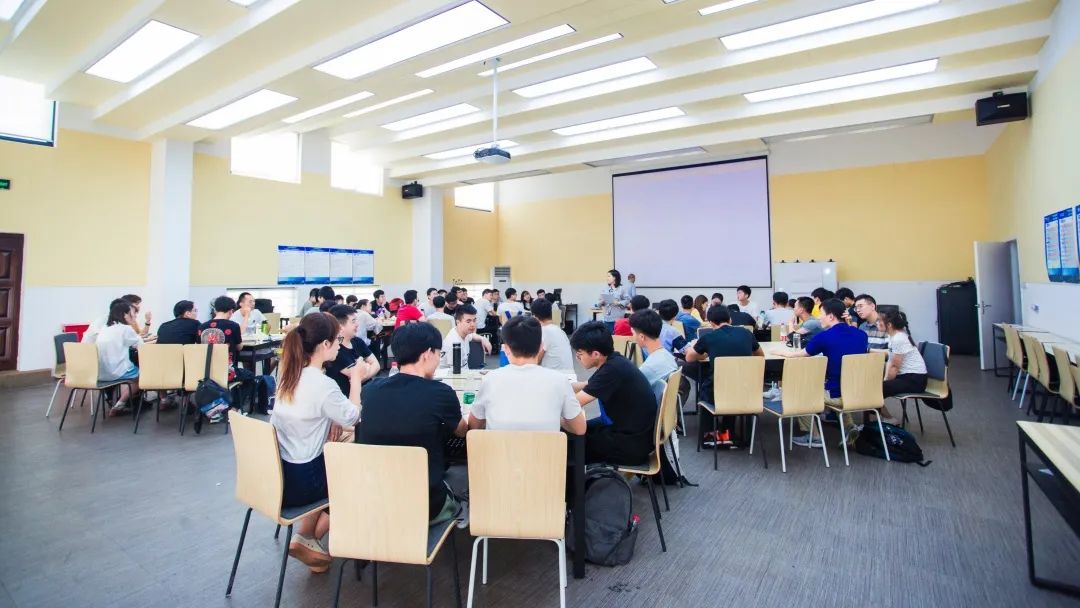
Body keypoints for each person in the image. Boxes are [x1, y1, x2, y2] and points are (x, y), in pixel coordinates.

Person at [271, 312, 362, 571]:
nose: (339, 346)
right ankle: (308, 538)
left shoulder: (289, 375)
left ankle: (308, 540)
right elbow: (354, 416)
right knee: (356, 474)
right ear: (325, 344)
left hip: (279, 477)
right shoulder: (324, 384)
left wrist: (330, 417)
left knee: (339, 451)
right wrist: (356, 379)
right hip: (305, 482)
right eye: (337, 341)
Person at [357, 323, 468, 524]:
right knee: (457, 488)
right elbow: (461, 431)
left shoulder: (370, 390)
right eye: (439, 354)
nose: (438, 360)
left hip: (375, 500)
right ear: (427, 354)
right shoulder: (440, 393)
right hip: (424, 505)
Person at [468, 316, 585, 433]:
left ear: (506, 348)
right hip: (545, 445)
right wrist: (555, 417)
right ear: (540, 346)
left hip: (499, 445)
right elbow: (579, 428)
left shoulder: (490, 379)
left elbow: (473, 425)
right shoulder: (559, 380)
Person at [778, 299, 868, 447]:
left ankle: (814, 436)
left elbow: (799, 355)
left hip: (837, 395)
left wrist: (781, 352)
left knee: (800, 393)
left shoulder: (824, 336)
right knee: (837, 384)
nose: (819, 317)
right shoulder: (861, 335)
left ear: (831, 316)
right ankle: (849, 427)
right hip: (860, 392)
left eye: (821, 314)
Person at [570, 322, 657, 465]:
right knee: (576, 431)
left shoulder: (610, 371)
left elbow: (573, 404)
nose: (577, 359)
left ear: (596, 354)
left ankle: (574, 480)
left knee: (571, 443)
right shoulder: (614, 361)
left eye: (580, 355)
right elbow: (587, 385)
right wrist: (561, 386)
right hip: (634, 433)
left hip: (630, 445)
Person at [685, 305, 764, 437]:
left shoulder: (709, 337)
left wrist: (705, 354)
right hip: (745, 389)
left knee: (707, 385)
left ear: (711, 323)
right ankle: (728, 430)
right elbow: (760, 356)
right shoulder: (746, 333)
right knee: (732, 382)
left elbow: (689, 358)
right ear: (730, 319)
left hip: (718, 391)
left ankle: (709, 432)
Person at [879, 309, 927, 422]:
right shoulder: (893, 336)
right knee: (874, 385)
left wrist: (886, 382)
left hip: (914, 380)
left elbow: (895, 367)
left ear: (889, 325)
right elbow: (890, 361)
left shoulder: (898, 338)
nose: (877, 323)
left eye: (879, 321)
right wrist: (885, 379)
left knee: (874, 388)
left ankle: (888, 419)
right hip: (907, 376)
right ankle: (881, 416)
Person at [96, 299, 143, 416]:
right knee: (143, 376)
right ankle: (120, 404)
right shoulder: (125, 329)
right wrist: (133, 326)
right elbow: (140, 345)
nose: (134, 316)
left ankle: (119, 401)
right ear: (125, 315)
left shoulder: (104, 328)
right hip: (118, 372)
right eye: (132, 313)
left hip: (100, 373)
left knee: (133, 371)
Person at [325, 304, 381, 395]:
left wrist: (359, 377)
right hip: (348, 397)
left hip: (366, 393)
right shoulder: (335, 349)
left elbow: (377, 365)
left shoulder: (357, 341)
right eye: (353, 321)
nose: (357, 324)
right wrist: (367, 366)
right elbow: (355, 374)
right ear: (340, 326)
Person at [629, 309, 678, 402]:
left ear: (642, 337)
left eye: (633, 333)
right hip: (664, 407)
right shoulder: (669, 357)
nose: (633, 337)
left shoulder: (647, 369)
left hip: (649, 409)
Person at [440, 304, 492, 369]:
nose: (472, 324)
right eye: (468, 321)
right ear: (458, 322)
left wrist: (483, 339)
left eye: (474, 320)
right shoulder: (454, 344)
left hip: (463, 372)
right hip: (452, 374)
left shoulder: (460, 331)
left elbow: (472, 336)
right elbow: (457, 374)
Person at [83, 294, 150, 343]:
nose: (138, 307)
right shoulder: (107, 323)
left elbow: (137, 336)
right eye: (136, 304)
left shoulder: (119, 322)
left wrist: (148, 321)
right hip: (90, 353)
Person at [532, 298, 573, 372]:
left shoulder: (544, 332)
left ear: (535, 317)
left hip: (555, 377)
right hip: (569, 375)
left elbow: (535, 361)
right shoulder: (560, 331)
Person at [598, 269, 631, 334]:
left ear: (614, 277)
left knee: (616, 337)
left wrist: (618, 303)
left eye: (609, 276)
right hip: (607, 318)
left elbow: (628, 300)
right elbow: (598, 303)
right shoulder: (605, 289)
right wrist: (602, 302)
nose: (607, 278)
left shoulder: (622, 289)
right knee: (608, 337)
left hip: (618, 319)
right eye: (607, 276)